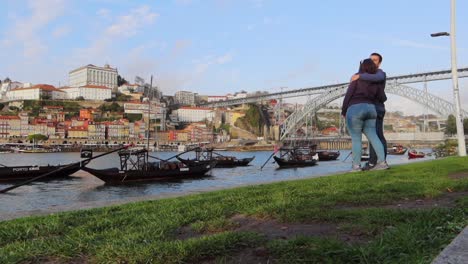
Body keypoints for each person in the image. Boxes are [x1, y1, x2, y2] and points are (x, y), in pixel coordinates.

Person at [342, 59, 388, 171]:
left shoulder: (357, 78)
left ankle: (356, 166)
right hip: (371, 109)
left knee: (356, 139)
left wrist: (344, 111)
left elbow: (348, 95)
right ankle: (382, 163)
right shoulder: (376, 81)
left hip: (355, 108)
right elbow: (383, 97)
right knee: (374, 137)